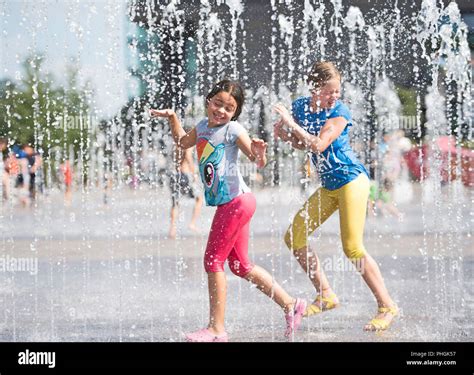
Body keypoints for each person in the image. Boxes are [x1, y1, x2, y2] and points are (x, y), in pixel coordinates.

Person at [150, 79, 306, 342]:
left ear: (235, 113)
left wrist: (260, 152)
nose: (222, 110)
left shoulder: (233, 129)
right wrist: (173, 117)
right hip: (234, 203)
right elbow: (181, 141)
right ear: (208, 101)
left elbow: (256, 159)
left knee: (212, 261)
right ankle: (291, 304)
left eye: (229, 108)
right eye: (218, 103)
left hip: (237, 202)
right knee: (240, 265)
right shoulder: (201, 127)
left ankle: (216, 329)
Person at [273, 61, 398, 332]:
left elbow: (319, 143)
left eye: (337, 91)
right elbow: (298, 142)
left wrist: (290, 125)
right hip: (330, 186)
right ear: (315, 89)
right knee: (294, 236)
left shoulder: (340, 111)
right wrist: (283, 131)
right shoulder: (300, 107)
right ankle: (326, 294)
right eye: (330, 92)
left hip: (352, 180)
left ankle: (387, 306)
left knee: (352, 247)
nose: (335, 96)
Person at [168, 144, 203, 239]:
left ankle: (172, 229)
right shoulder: (188, 144)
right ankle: (192, 223)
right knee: (199, 199)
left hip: (174, 175)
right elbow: (187, 155)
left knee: (175, 203)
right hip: (186, 175)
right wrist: (194, 172)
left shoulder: (175, 145)